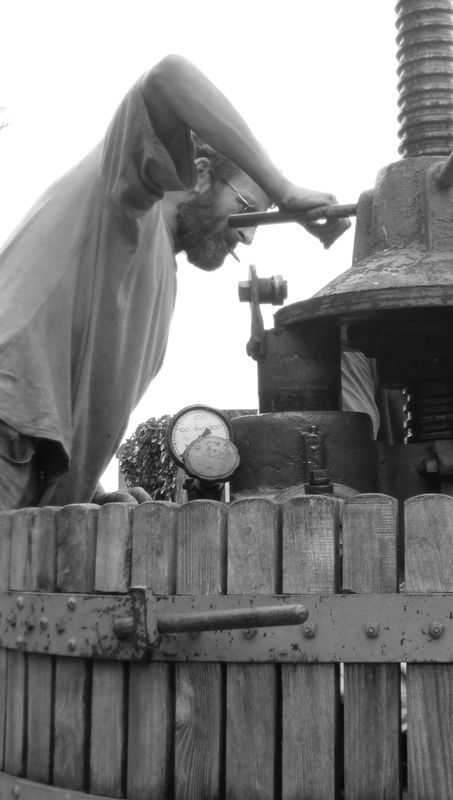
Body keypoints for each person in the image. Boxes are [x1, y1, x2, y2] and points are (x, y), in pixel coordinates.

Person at [0, 55, 350, 510]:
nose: (247, 234)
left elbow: (76, 392)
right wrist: (282, 190)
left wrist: (91, 492)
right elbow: (168, 77)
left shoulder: (159, 273)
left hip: (31, 465)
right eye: (247, 204)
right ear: (200, 173)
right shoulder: (127, 198)